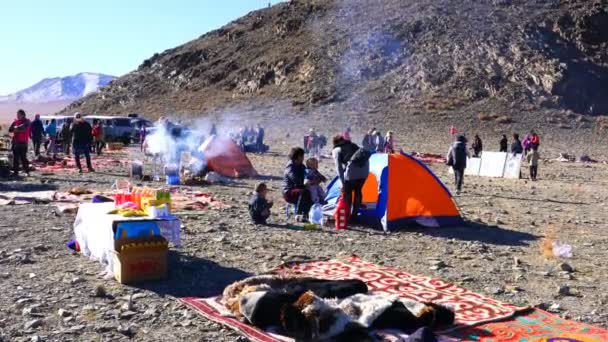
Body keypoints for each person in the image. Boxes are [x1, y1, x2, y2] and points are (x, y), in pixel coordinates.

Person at [332, 135, 370, 222]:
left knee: (347, 192)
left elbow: (339, 167)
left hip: (352, 171)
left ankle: (347, 215)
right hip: (365, 170)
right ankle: (355, 216)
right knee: (358, 190)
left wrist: (342, 183)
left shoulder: (337, 150)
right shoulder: (354, 145)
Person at [282, 147, 313, 219]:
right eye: (302, 156)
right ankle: (298, 214)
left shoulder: (301, 166)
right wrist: (305, 183)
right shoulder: (290, 167)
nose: (303, 158)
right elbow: (296, 180)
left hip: (298, 189)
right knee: (304, 192)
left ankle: (306, 214)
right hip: (289, 191)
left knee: (309, 193)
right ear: (298, 156)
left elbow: (307, 175)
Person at [8, 109, 31, 176]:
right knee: (16, 158)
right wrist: (16, 128)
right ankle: (15, 172)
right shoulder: (15, 121)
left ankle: (27, 171)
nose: (17, 116)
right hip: (16, 142)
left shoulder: (27, 121)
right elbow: (10, 129)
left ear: (23, 115)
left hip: (23, 142)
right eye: (17, 114)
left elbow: (23, 129)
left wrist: (16, 128)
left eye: (19, 114)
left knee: (23, 157)